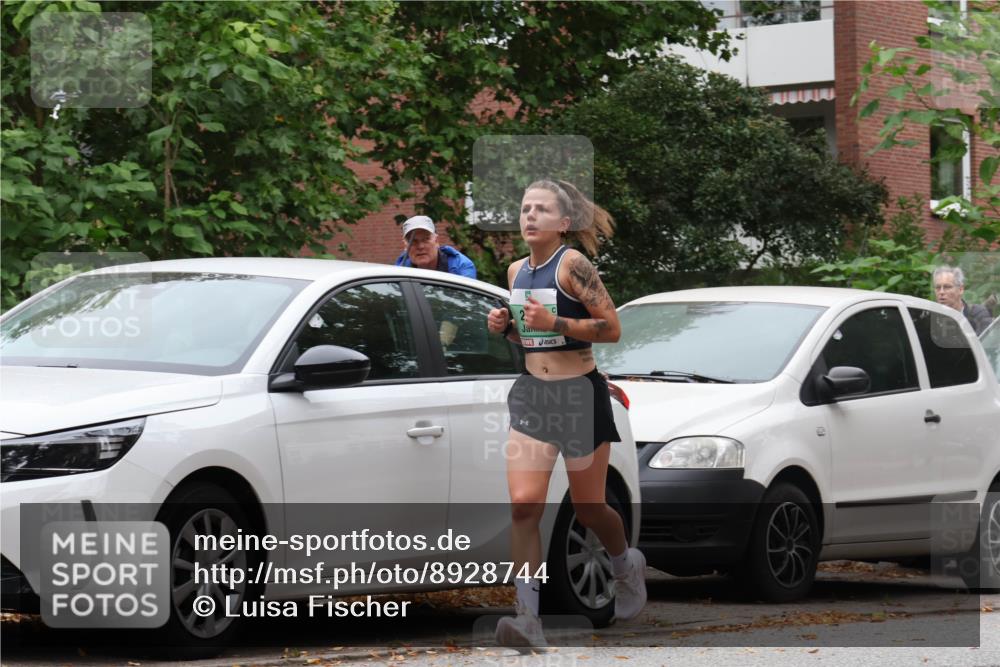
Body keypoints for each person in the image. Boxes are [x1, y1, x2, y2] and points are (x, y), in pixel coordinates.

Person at [486, 180, 646, 647]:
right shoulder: (516, 271)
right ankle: (527, 618)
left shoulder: (573, 265)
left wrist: (553, 320)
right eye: (524, 209)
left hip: (579, 394)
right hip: (534, 394)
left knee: (590, 507)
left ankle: (624, 565)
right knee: (524, 505)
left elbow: (611, 328)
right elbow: (533, 338)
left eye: (541, 210)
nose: (529, 216)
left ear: (564, 223)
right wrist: (506, 329)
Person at [394, 215, 477, 278]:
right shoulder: (399, 272)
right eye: (413, 241)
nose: (420, 246)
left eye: (426, 239)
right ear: (406, 246)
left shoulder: (461, 268)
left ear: (437, 241)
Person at [933, 266, 992, 335]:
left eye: (947, 287)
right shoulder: (930, 317)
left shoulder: (977, 314)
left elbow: (985, 343)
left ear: (960, 289)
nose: (941, 292)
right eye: (938, 287)